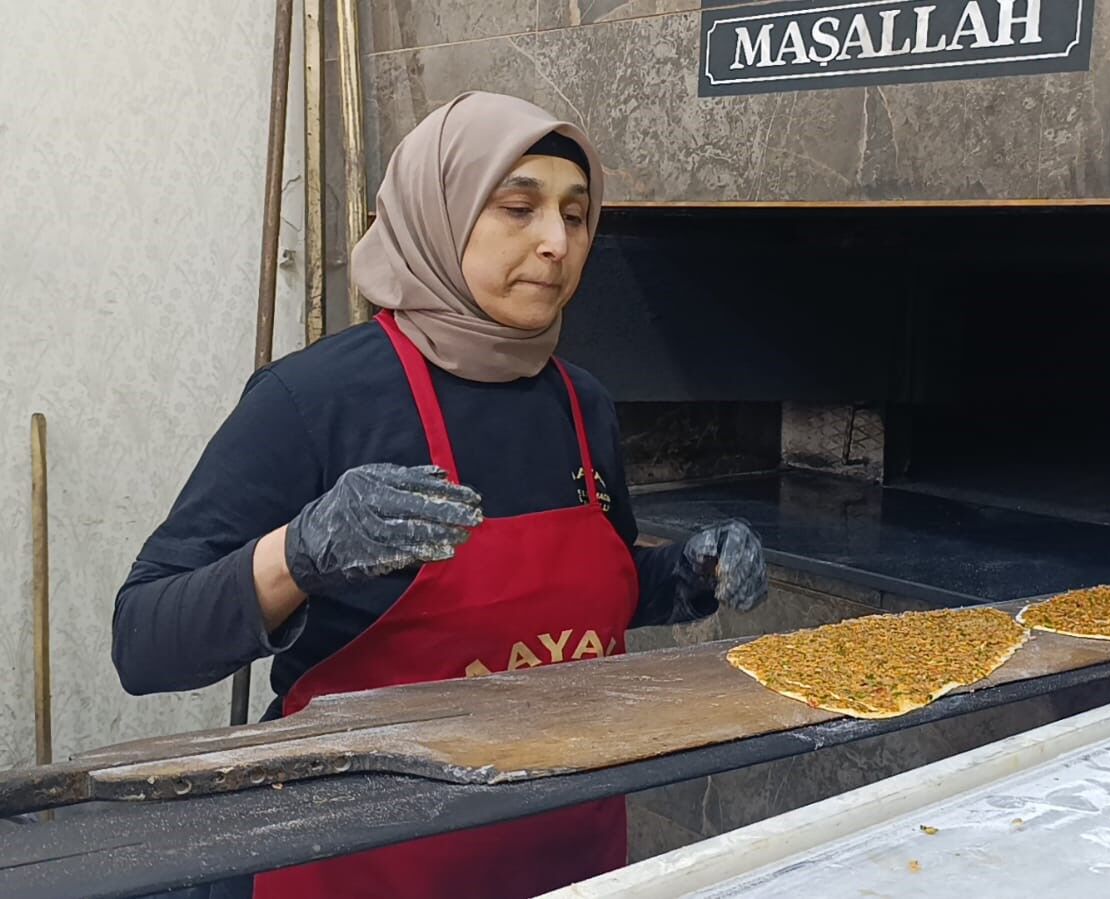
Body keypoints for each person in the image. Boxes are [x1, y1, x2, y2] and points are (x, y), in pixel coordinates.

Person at [111, 91, 769, 898]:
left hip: (566, 850)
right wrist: (299, 553)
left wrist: (688, 573)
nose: (556, 242)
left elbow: (587, 603)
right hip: (362, 858)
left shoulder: (582, 401)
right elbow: (142, 641)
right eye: (518, 208)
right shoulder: (313, 400)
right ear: (439, 212)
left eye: (576, 215)